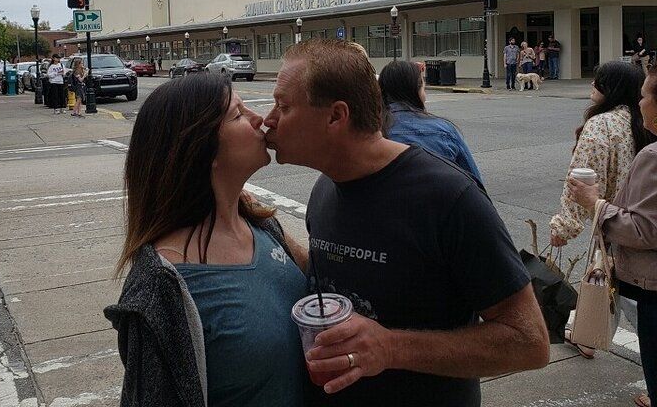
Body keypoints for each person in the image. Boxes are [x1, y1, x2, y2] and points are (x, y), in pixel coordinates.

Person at [263, 39, 549, 406]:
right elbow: (342, 273)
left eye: (283, 106)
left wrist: (391, 348)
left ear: (336, 116)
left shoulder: (447, 197)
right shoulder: (325, 189)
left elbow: (530, 341)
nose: (267, 119)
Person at [104, 73, 310, 407]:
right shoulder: (163, 285)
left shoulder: (259, 225)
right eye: (238, 114)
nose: (259, 119)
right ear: (202, 149)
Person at [567, 66, 657, 407]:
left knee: (623, 300)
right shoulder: (637, 128)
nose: (642, 101)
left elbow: (644, 229)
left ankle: (587, 335)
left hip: (644, 266)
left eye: (647, 96)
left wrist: (591, 208)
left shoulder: (603, 128)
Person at [550, 61, 651, 359]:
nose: (593, 86)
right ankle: (588, 336)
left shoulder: (600, 125)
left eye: (598, 81)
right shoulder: (641, 121)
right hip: (638, 220)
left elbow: (580, 182)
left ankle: (589, 336)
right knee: (607, 281)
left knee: (617, 286)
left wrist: (563, 228)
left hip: (611, 221)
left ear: (610, 88)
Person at [378, 60, 482, 183]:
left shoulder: (372, 132)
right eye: (423, 87)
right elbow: (475, 182)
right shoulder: (444, 131)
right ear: (416, 91)